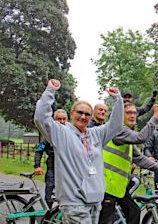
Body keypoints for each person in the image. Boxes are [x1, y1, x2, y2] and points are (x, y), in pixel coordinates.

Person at [34, 79, 123, 224]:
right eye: (80, 113)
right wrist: (50, 91)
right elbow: (41, 118)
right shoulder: (60, 133)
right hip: (73, 202)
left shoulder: (96, 134)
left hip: (95, 201)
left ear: (91, 117)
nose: (83, 117)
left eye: (87, 114)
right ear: (72, 113)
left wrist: (117, 99)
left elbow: (115, 125)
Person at [99, 102, 158, 224]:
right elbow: (141, 138)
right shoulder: (119, 130)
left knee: (134, 211)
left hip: (118, 187)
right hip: (107, 186)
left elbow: (139, 158)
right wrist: (155, 116)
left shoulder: (126, 137)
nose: (133, 115)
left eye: (134, 113)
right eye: (128, 113)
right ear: (120, 116)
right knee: (106, 221)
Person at [34, 109, 68, 208]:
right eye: (59, 119)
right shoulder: (48, 134)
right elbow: (39, 150)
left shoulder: (71, 133)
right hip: (52, 168)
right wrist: (37, 166)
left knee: (67, 196)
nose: (61, 121)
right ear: (54, 120)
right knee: (49, 195)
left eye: (64, 119)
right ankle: (47, 216)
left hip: (66, 169)